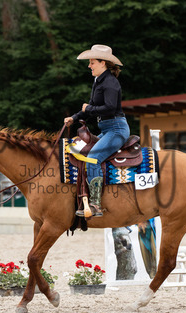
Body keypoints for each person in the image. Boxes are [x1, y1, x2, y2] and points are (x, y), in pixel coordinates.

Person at [64, 44, 130, 217]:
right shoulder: (99, 81)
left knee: (93, 158)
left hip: (116, 130)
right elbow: (89, 108)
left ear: (103, 63)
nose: (89, 66)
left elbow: (109, 108)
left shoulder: (110, 83)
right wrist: (74, 118)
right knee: (76, 150)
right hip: (108, 129)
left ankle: (95, 205)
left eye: (92, 62)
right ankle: (81, 197)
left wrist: (89, 109)